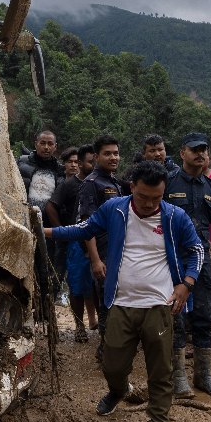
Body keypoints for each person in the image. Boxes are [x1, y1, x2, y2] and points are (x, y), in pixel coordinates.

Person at [44, 160, 203, 422]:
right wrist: (46, 232)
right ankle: (118, 390)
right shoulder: (115, 209)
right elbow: (84, 229)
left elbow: (196, 250)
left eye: (157, 197)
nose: (149, 204)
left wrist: (187, 283)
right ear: (132, 188)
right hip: (120, 303)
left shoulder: (174, 216)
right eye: (143, 197)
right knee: (112, 364)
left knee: (160, 371)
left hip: (160, 305)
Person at [163, 132, 211, 397]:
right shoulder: (167, 182)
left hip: (202, 260)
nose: (200, 154)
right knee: (175, 315)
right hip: (172, 259)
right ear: (182, 153)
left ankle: (203, 375)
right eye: (194, 149)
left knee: (203, 314)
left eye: (204, 150)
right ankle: (178, 377)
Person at [78, 134, 127, 361]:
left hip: (119, 251)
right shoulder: (92, 184)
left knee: (119, 300)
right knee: (107, 302)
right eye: (107, 153)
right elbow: (87, 225)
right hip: (103, 253)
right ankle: (107, 351)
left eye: (116, 153)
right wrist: (95, 259)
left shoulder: (114, 182)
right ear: (97, 157)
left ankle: (114, 347)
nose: (113, 157)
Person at [47, 146, 99, 340]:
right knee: (77, 285)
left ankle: (100, 323)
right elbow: (51, 206)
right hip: (76, 241)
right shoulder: (70, 184)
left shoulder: (103, 183)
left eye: (94, 161)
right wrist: (61, 231)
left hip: (100, 239)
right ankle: (79, 326)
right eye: (88, 162)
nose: (92, 165)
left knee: (98, 284)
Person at [44, 146, 80, 308]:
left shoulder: (84, 183)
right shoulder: (59, 183)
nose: (73, 165)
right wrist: (59, 230)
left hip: (78, 234)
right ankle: (50, 302)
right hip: (58, 233)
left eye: (76, 162)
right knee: (57, 268)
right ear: (64, 164)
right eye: (70, 162)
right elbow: (50, 207)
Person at [17, 130, 64, 211]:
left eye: (50, 144)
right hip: (23, 213)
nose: (46, 147)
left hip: (49, 219)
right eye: (42, 143)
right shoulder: (21, 162)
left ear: (55, 147)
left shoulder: (60, 170)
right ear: (36, 144)